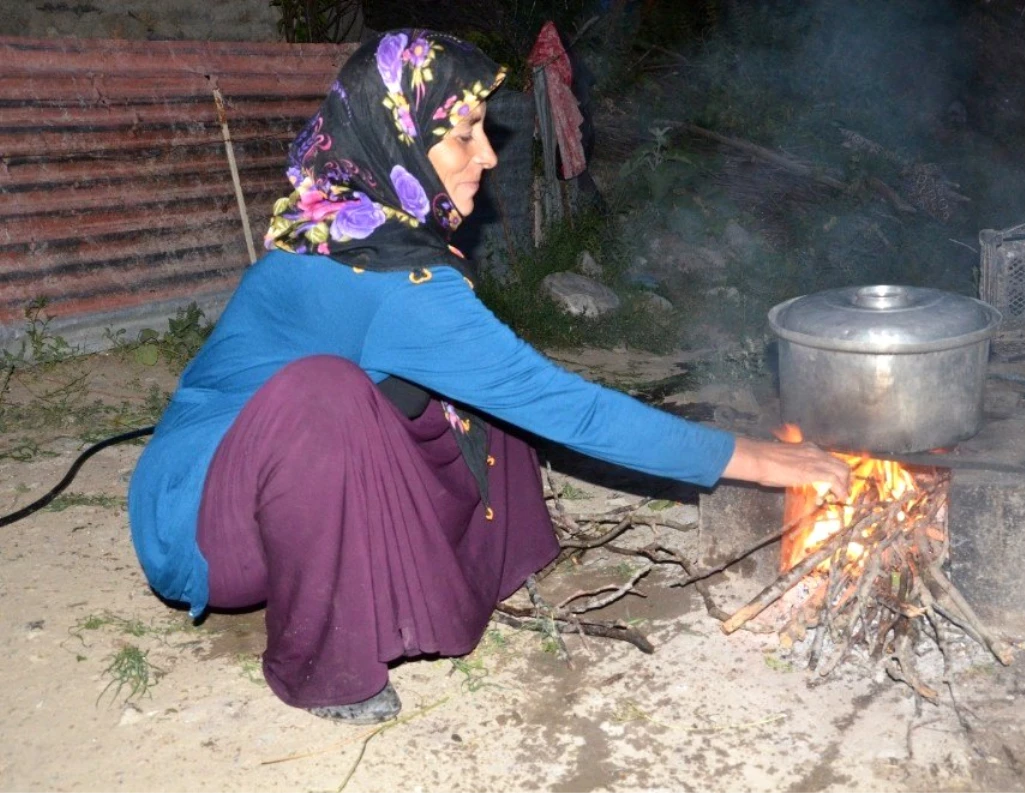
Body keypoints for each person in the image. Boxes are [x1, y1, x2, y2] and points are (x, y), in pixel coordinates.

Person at [127, 30, 850, 726]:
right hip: (200, 525)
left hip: (257, 476)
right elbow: (574, 412)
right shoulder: (383, 274)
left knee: (475, 384)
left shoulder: (340, 215)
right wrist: (759, 458)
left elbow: (505, 381)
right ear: (400, 137)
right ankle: (324, 668)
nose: (489, 157)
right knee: (334, 395)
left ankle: (490, 556)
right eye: (463, 135)